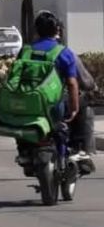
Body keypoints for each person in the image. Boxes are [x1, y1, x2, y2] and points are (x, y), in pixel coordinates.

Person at [28, 10, 94, 169]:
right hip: (54, 104)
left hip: (29, 103)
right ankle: (81, 150)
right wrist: (75, 106)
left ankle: (25, 153)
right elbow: (77, 83)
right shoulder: (64, 52)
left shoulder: (25, 51)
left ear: (36, 30)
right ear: (57, 30)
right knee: (84, 106)